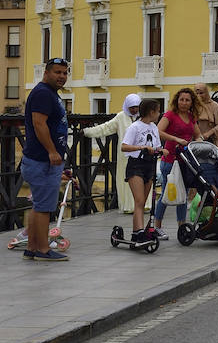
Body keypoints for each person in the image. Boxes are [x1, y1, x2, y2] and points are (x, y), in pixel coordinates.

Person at [18, 57, 73, 261]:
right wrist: (51, 151)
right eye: (57, 72)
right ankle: (43, 250)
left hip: (39, 159)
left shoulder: (48, 93)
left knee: (38, 205)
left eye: (65, 73)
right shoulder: (43, 94)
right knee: (44, 208)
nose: (61, 76)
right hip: (43, 160)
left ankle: (31, 248)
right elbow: (39, 124)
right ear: (46, 73)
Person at [81, 92, 144, 215]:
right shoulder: (121, 117)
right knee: (126, 181)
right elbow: (106, 128)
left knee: (142, 179)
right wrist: (87, 132)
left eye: (136, 107)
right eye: (132, 107)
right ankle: (129, 206)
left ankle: (143, 205)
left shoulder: (143, 117)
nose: (134, 109)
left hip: (142, 156)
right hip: (126, 156)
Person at [152, 87, 200, 238]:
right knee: (167, 194)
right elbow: (157, 131)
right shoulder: (170, 115)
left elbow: (197, 134)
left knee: (183, 196)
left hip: (185, 160)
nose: (184, 103)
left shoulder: (192, 117)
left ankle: (182, 227)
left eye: (187, 100)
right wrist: (175, 139)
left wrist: (199, 142)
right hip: (170, 160)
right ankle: (157, 226)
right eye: (181, 100)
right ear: (176, 101)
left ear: (191, 102)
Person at [120, 99, 163, 239]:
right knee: (138, 200)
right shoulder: (135, 127)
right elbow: (124, 146)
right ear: (151, 112)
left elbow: (157, 145)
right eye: (158, 111)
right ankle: (138, 231)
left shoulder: (154, 127)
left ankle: (138, 231)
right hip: (136, 164)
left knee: (143, 201)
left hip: (149, 165)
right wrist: (142, 148)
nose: (159, 113)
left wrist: (162, 150)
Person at [193, 83, 218, 151]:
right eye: (196, 93)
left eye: (201, 93)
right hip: (194, 142)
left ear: (206, 93)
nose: (198, 95)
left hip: (212, 142)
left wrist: (209, 133)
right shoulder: (192, 106)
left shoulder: (215, 106)